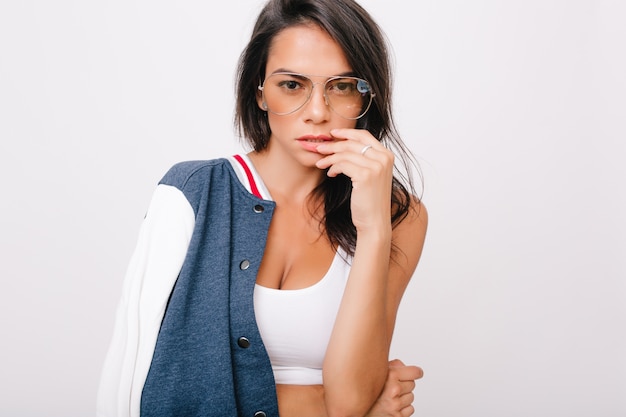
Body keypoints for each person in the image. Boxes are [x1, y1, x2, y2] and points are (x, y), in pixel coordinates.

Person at [97, 0, 428, 416]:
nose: (317, 113)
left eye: (341, 86)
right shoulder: (191, 193)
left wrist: (374, 228)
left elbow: (348, 403)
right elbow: (131, 369)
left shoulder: (399, 215)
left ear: (368, 95)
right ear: (259, 91)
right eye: (292, 85)